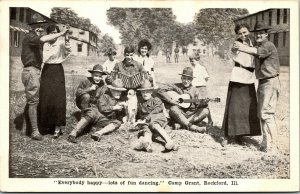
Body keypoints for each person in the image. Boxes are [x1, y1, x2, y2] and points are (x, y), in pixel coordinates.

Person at [233, 22, 281, 152]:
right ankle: (266, 143)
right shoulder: (260, 44)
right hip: (263, 82)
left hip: (270, 82)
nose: (259, 35)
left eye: (262, 33)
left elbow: (255, 52)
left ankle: (274, 145)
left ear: (267, 34)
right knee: (262, 114)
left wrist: (241, 46)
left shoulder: (268, 45)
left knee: (267, 114)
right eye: (257, 33)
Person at [20, 20, 69, 140]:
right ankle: (35, 132)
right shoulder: (31, 37)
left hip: (37, 70)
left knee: (34, 99)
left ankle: (30, 128)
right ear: (31, 27)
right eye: (37, 27)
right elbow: (43, 40)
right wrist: (62, 33)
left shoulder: (39, 40)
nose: (40, 29)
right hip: (32, 70)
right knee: (34, 101)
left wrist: (65, 37)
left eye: (42, 27)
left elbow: (62, 46)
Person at [221, 23, 261, 146]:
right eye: (240, 33)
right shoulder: (237, 43)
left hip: (249, 77)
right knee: (233, 107)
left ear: (249, 31)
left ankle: (240, 135)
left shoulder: (254, 42)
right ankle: (226, 135)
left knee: (246, 108)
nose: (243, 35)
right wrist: (234, 49)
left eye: (245, 32)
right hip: (238, 75)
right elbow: (234, 52)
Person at [39, 24, 71, 138]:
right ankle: (46, 125)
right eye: (52, 32)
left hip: (57, 70)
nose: (54, 35)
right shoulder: (45, 43)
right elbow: (42, 40)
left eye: (55, 32)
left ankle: (57, 127)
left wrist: (66, 36)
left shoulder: (61, 43)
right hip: (46, 70)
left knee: (58, 98)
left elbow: (68, 49)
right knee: (46, 97)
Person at [156, 67, 211, 133]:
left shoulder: (195, 90)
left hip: (191, 114)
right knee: (173, 109)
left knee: (205, 111)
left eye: (188, 79)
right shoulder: (175, 86)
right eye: (184, 78)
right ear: (181, 78)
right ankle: (193, 127)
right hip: (179, 112)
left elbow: (199, 104)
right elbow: (159, 90)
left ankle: (181, 124)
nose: (186, 81)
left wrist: (203, 102)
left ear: (192, 80)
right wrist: (170, 100)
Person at [134, 80, 178, 152]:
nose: (145, 94)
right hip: (147, 123)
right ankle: (147, 144)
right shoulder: (141, 103)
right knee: (146, 129)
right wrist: (139, 120)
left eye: (147, 92)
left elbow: (158, 109)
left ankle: (169, 141)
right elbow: (141, 115)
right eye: (143, 92)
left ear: (151, 92)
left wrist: (147, 118)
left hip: (158, 119)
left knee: (154, 124)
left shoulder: (156, 100)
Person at [189, 55, 213, 126]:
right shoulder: (192, 69)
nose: (191, 62)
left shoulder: (202, 68)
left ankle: (210, 120)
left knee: (204, 104)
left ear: (197, 60)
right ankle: (198, 118)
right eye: (190, 61)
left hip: (201, 88)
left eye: (193, 61)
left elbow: (206, 78)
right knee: (196, 104)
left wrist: (202, 84)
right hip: (195, 88)